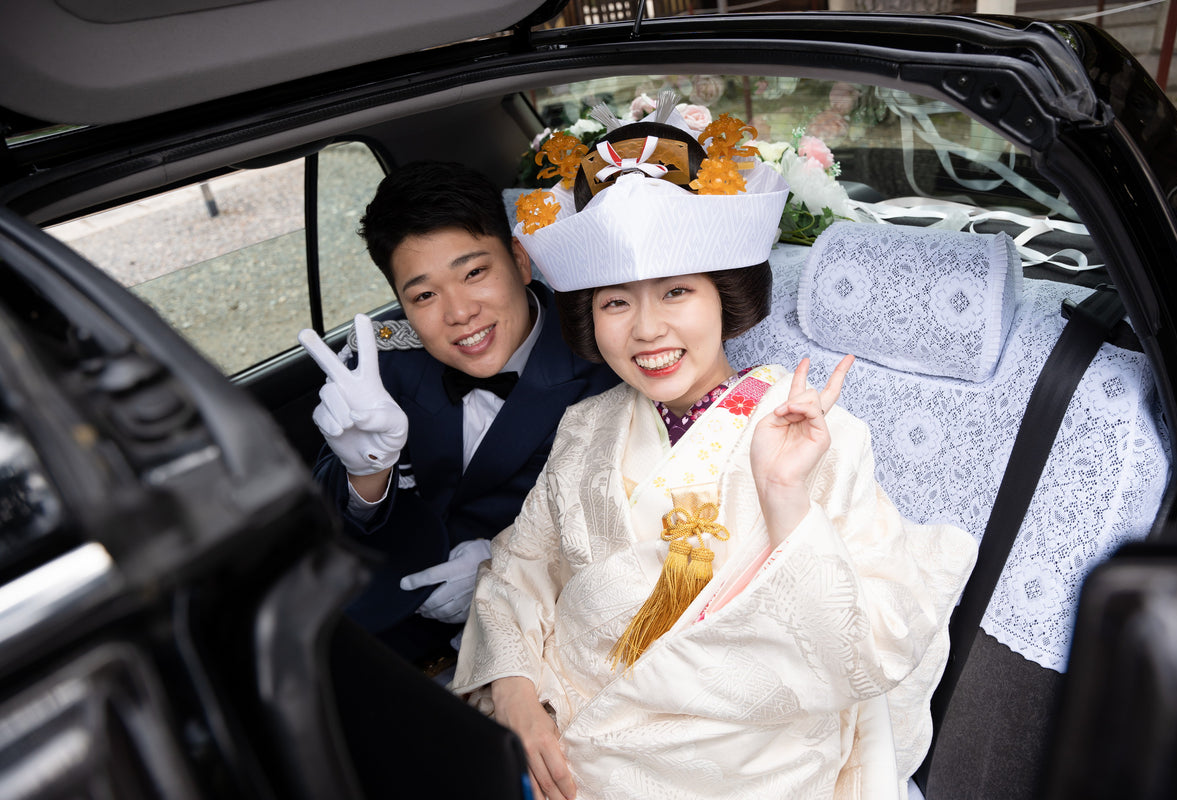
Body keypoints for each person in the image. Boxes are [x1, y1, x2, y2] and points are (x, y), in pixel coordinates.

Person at [450, 98, 978, 799]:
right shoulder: (586, 428)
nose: (647, 329)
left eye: (676, 291)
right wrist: (516, 697)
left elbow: (871, 648)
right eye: (615, 302)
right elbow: (517, 570)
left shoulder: (824, 440)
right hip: (567, 747)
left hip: (744, 772)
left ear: (723, 297)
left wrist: (787, 500)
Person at [298, 162, 617, 668]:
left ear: (520, 259)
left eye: (474, 273)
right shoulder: (382, 366)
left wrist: (503, 566)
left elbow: (627, 525)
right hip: (372, 619)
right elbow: (321, 523)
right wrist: (367, 475)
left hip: (545, 634)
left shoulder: (602, 357)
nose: (458, 312)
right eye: (424, 295)